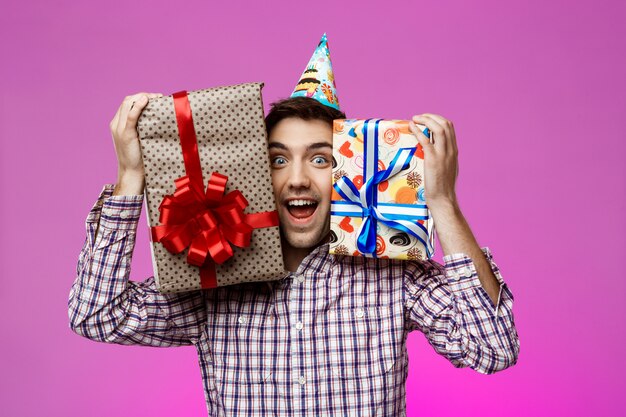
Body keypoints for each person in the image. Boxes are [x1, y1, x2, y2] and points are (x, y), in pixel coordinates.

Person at [69, 35, 519, 416]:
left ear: (347, 168)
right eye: (278, 159)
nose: (298, 178)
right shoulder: (213, 280)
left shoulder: (393, 274)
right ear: (258, 173)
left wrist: (442, 201)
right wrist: (130, 180)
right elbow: (98, 315)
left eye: (320, 159)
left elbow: (493, 347)